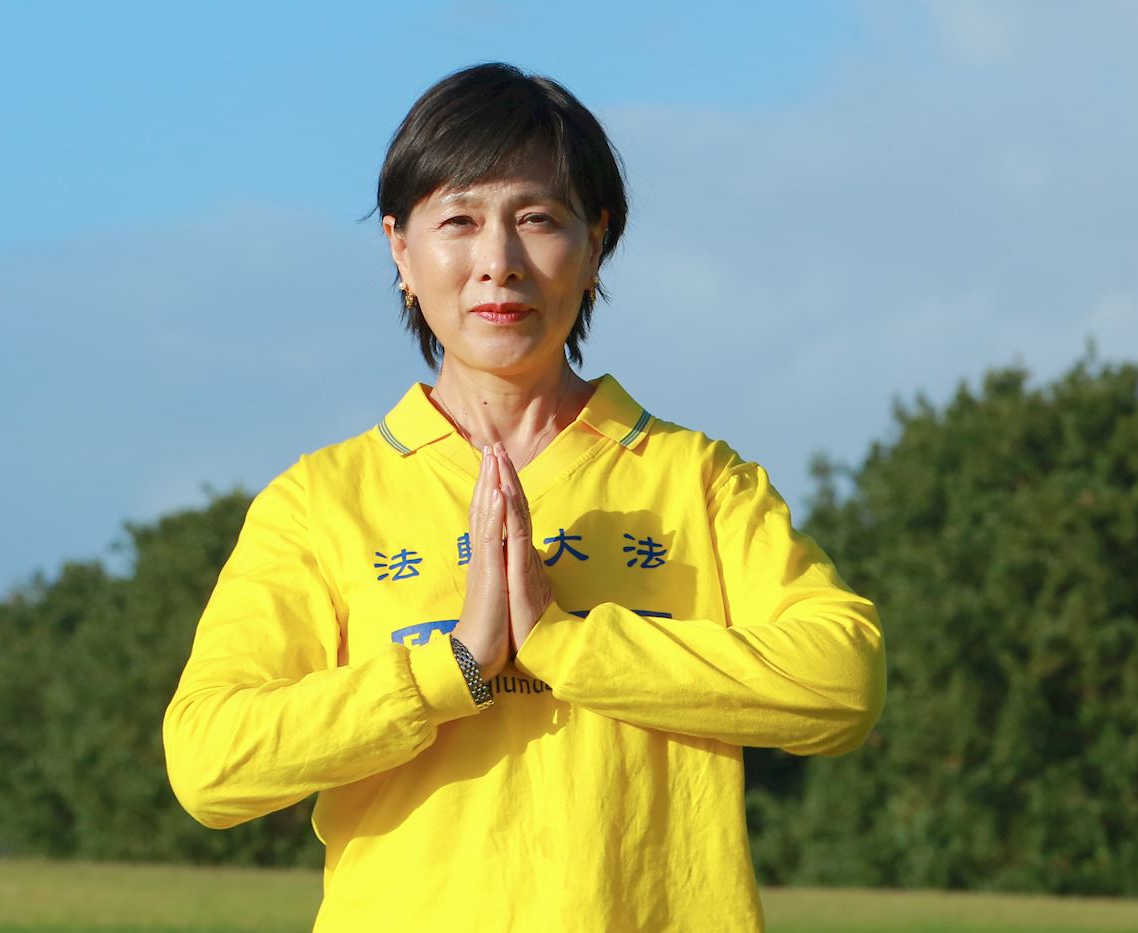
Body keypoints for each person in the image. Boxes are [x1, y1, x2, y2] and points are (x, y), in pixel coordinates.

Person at [163, 62, 886, 932]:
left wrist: (563, 643)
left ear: (596, 244)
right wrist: (455, 665)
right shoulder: (321, 501)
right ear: (400, 248)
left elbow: (843, 681)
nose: (498, 264)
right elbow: (209, 763)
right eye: (459, 221)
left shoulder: (696, 479)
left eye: (538, 218)